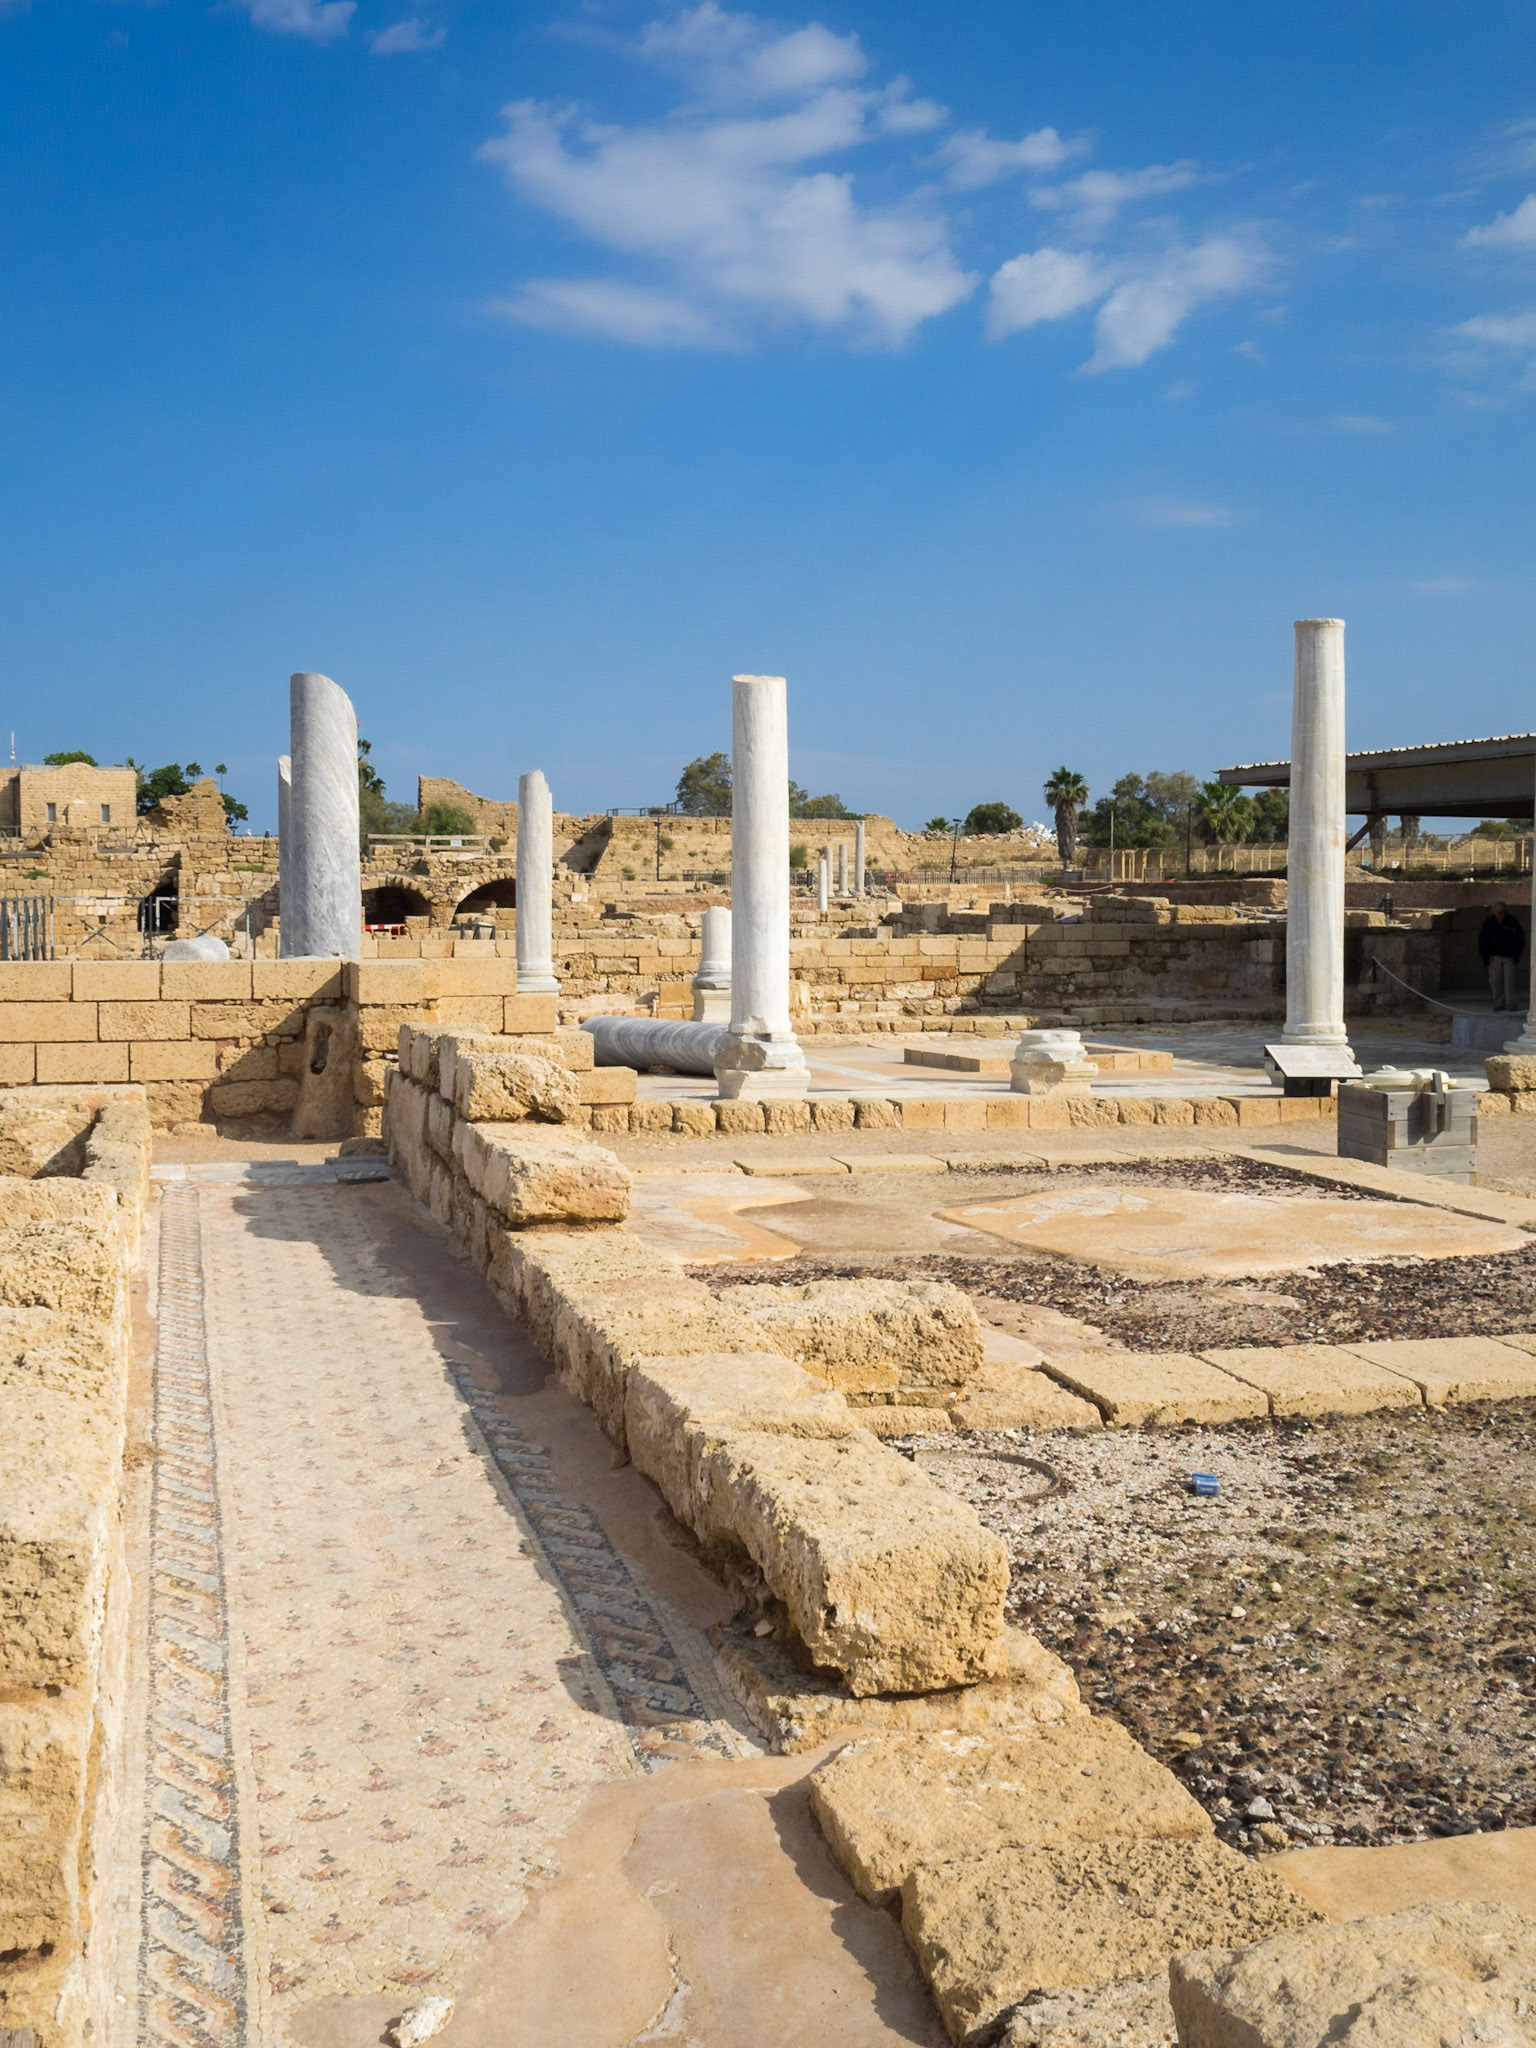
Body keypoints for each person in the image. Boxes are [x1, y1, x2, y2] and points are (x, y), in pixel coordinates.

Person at [1478, 899, 1525, 1012]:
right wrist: (1485, 957)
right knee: (1496, 982)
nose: (1502, 915)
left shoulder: (1513, 922)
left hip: (1509, 958)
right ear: (1494, 912)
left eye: (1504, 912)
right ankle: (1499, 1003)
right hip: (1494, 958)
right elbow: (1482, 940)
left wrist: (1516, 955)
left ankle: (1510, 1005)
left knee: (1509, 982)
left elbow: (1520, 939)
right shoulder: (1488, 923)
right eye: (1499, 912)